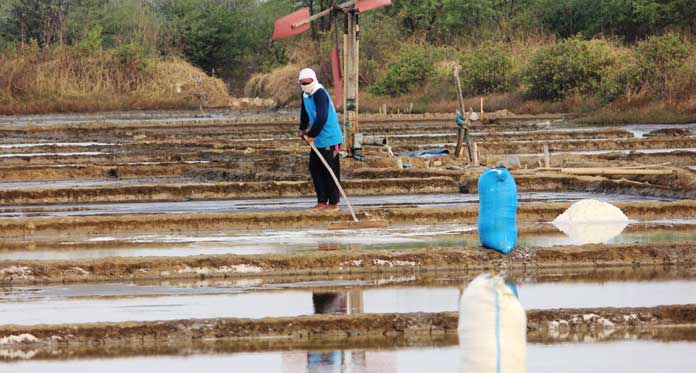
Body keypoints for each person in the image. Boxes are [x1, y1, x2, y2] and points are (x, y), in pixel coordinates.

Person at [298, 68, 344, 211]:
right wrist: (302, 128)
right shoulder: (305, 95)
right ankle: (322, 201)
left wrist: (311, 134)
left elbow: (322, 117)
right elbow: (304, 112)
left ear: (314, 80)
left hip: (330, 138)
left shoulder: (320, 94)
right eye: (302, 83)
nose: (305, 85)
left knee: (330, 170)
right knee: (315, 168)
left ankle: (333, 203)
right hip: (318, 139)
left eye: (307, 82)